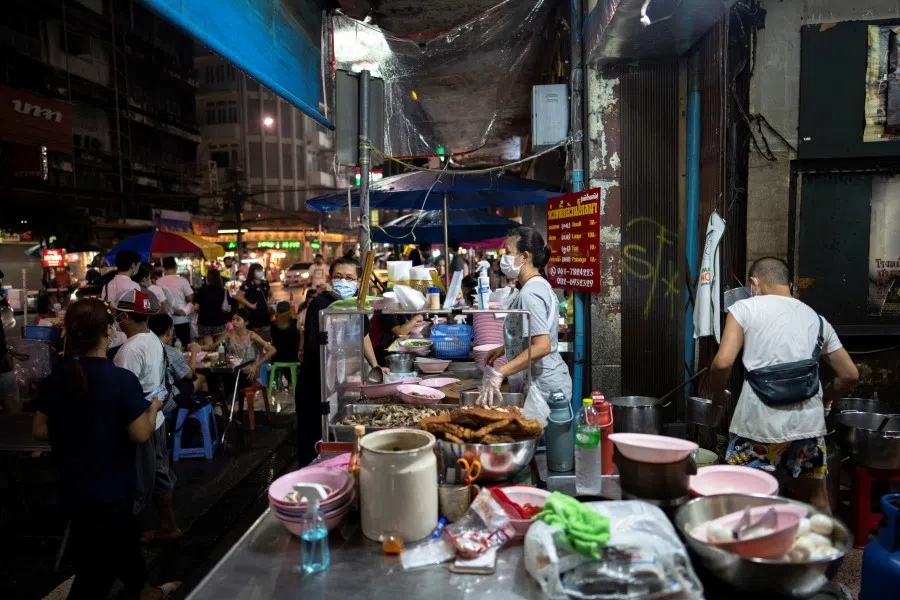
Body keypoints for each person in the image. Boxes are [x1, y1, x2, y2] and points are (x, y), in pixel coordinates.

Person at [32, 297, 180, 599]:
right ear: (109, 331)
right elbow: (140, 433)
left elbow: (38, 430)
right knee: (95, 571)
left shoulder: (57, 378)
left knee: (119, 549)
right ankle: (144, 592)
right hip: (112, 490)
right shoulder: (119, 379)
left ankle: (146, 592)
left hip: (73, 487)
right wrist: (153, 406)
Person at [708, 257, 859, 514]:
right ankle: (826, 553)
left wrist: (718, 395)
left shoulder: (744, 308)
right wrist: (824, 399)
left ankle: (750, 551)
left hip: (756, 426)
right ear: (788, 284)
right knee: (817, 499)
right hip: (807, 428)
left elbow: (722, 363)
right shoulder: (817, 320)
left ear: (754, 283)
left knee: (744, 500)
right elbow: (850, 375)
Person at [296, 257, 384, 466]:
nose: (344, 282)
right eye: (338, 277)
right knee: (313, 448)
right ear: (329, 279)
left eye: (349, 278)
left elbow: (363, 336)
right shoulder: (321, 304)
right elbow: (320, 350)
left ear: (358, 282)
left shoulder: (353, 304)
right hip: (316, 389)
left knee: (336, 445)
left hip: (339, 386)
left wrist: (375, 366)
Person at [113, 288, 181, 542]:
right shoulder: (151, 337)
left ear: (126, 316)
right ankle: (168, 525)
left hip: (140, 422)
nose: (115, 317)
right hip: (157, 418)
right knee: (160, 472)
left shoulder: (129, 351)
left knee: (138, 480)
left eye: (118, 314)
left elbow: (120, 391)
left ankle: (133, 536)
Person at [482, 227, 572, 408]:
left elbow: (542, 346)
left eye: (508, 252)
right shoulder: (538, 285)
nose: (503, 258)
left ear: (524, 256)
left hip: (545, 389)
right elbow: (536, 334)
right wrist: (504, 348)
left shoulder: (530, 294)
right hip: (543, 384)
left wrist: (500, 372)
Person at [206, 309, 276, 391]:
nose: (234, 322)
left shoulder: (252, 336)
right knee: (210, 376)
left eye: (238, 320)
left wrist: (256, 365)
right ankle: (222, 401)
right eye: (233, 319)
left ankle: (228, 400)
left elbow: (272, 350)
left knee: (224, 383)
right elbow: (213, 346)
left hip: (247, 373)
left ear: (246, 322)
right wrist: (198, 347)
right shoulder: (229, 334)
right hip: (232, 371)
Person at [149, 314, 207, 403]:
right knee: (201, 377)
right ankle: (200, 411)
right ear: (168, 331)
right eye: (172, 329)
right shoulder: (172, 352)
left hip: (149, 395)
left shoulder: (146, 348)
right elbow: (190, 375)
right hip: (164, 398)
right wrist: (194, 352)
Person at [157, 257, 194, 347]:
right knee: (184, 346)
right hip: (182, 320)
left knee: (167, 347)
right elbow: (190, 298)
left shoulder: (158, 282)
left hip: (166, 320)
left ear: (164, 268)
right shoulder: (182, 281)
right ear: (175, 266)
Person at [194, 269, 231, 346]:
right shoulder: (223, 291)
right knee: (219, 345)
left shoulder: (202, 290)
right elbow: (228, 308)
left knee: (209, 346)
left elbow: (196, 307)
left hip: (205, 322)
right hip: (219, 321)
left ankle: (210, 357)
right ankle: (220, 357)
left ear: (208, 278)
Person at [235, 263, 272, 340]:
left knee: (266, 337)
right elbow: (238, 296)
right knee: (254, 338)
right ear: (252, 272)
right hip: (253, 315)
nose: (260, 272)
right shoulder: (247, 284)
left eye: (261, 270)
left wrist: (269, 301)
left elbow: (270, 293)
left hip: (265, 314)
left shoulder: (264, 283)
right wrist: (251, 305)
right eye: (258, 270)